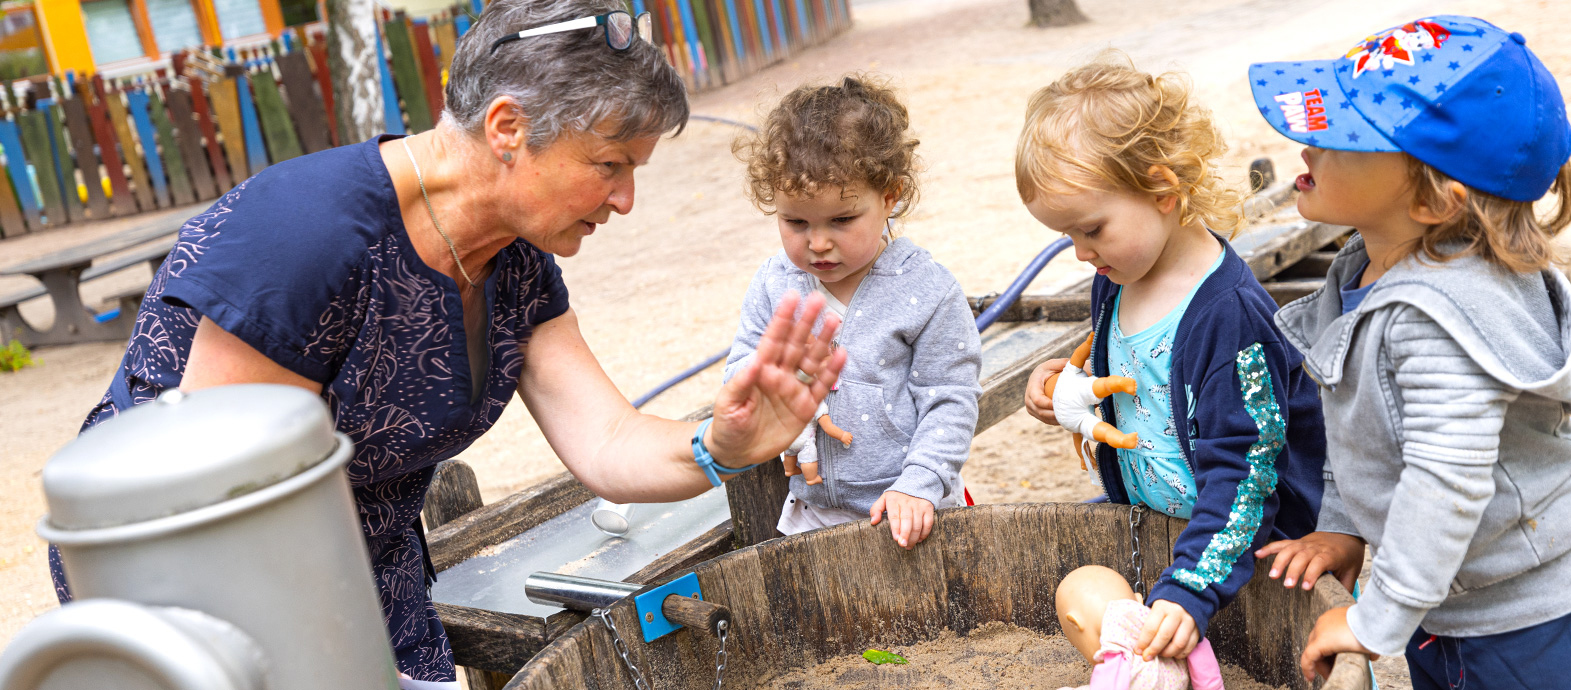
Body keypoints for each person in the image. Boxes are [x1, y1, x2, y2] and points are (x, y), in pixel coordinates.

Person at [48, 1, 847, 685]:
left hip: (364, 566)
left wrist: (724, 443)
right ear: (507, 126)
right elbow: (232, 508)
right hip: (205, 590)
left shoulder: (515, 259)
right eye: (608, 164)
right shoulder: (305, 234)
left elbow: (608, 443)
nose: (626, 199)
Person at [1244, 16, 1571, 688]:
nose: (1305, 141)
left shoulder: (1439, 317)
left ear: (1433, 200)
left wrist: (1371, 620)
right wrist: (1345, 527)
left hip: (1541, 627)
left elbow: (1445, 480)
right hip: (1447, 606)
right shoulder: (1362, 271)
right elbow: (1358, 427)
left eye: (1340, 134)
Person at [1019, 54, 1327, 663]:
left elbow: (1247, 477)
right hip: (1158, 516)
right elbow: (1139, 381)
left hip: (1241, 538)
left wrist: (1190, 589)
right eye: (1067, 237)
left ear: (1162, 190)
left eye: (1092, 229)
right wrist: (1067, 386)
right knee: (1071, 586)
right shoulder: (1119, 271)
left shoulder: (1227, 316)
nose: (1081, 253)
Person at [726, 75, 982, 549]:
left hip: (911, 510)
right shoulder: (776, 282)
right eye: (795, 222)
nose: (817, 242)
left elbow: (950, 397)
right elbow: (740, 368)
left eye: (842, 220)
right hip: (812, 513)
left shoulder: (926, 291)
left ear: (889, 197)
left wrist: (919, 482)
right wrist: (787, 384)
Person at [1055, 565, 1223, 690]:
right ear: (1138, 600)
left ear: (1076, 623)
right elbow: (1200, 651)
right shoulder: (1171, 624)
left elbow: (1111, 683)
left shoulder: (1117, 646)